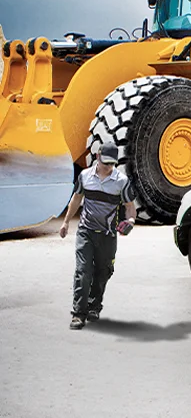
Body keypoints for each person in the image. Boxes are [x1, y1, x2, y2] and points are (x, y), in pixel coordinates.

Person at [60, 141, 136, 330]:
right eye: (106, 162)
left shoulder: (121, 181)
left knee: (103, 272)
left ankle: (94, 305)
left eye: (112, 163)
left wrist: (131, 222)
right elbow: (76, 199)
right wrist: (66, 221)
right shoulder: (85, 177)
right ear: (97, 157)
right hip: (85, 232)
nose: (109, 167)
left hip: (108, 235)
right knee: (83, 271)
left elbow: (130, 208)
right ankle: (78, 313)